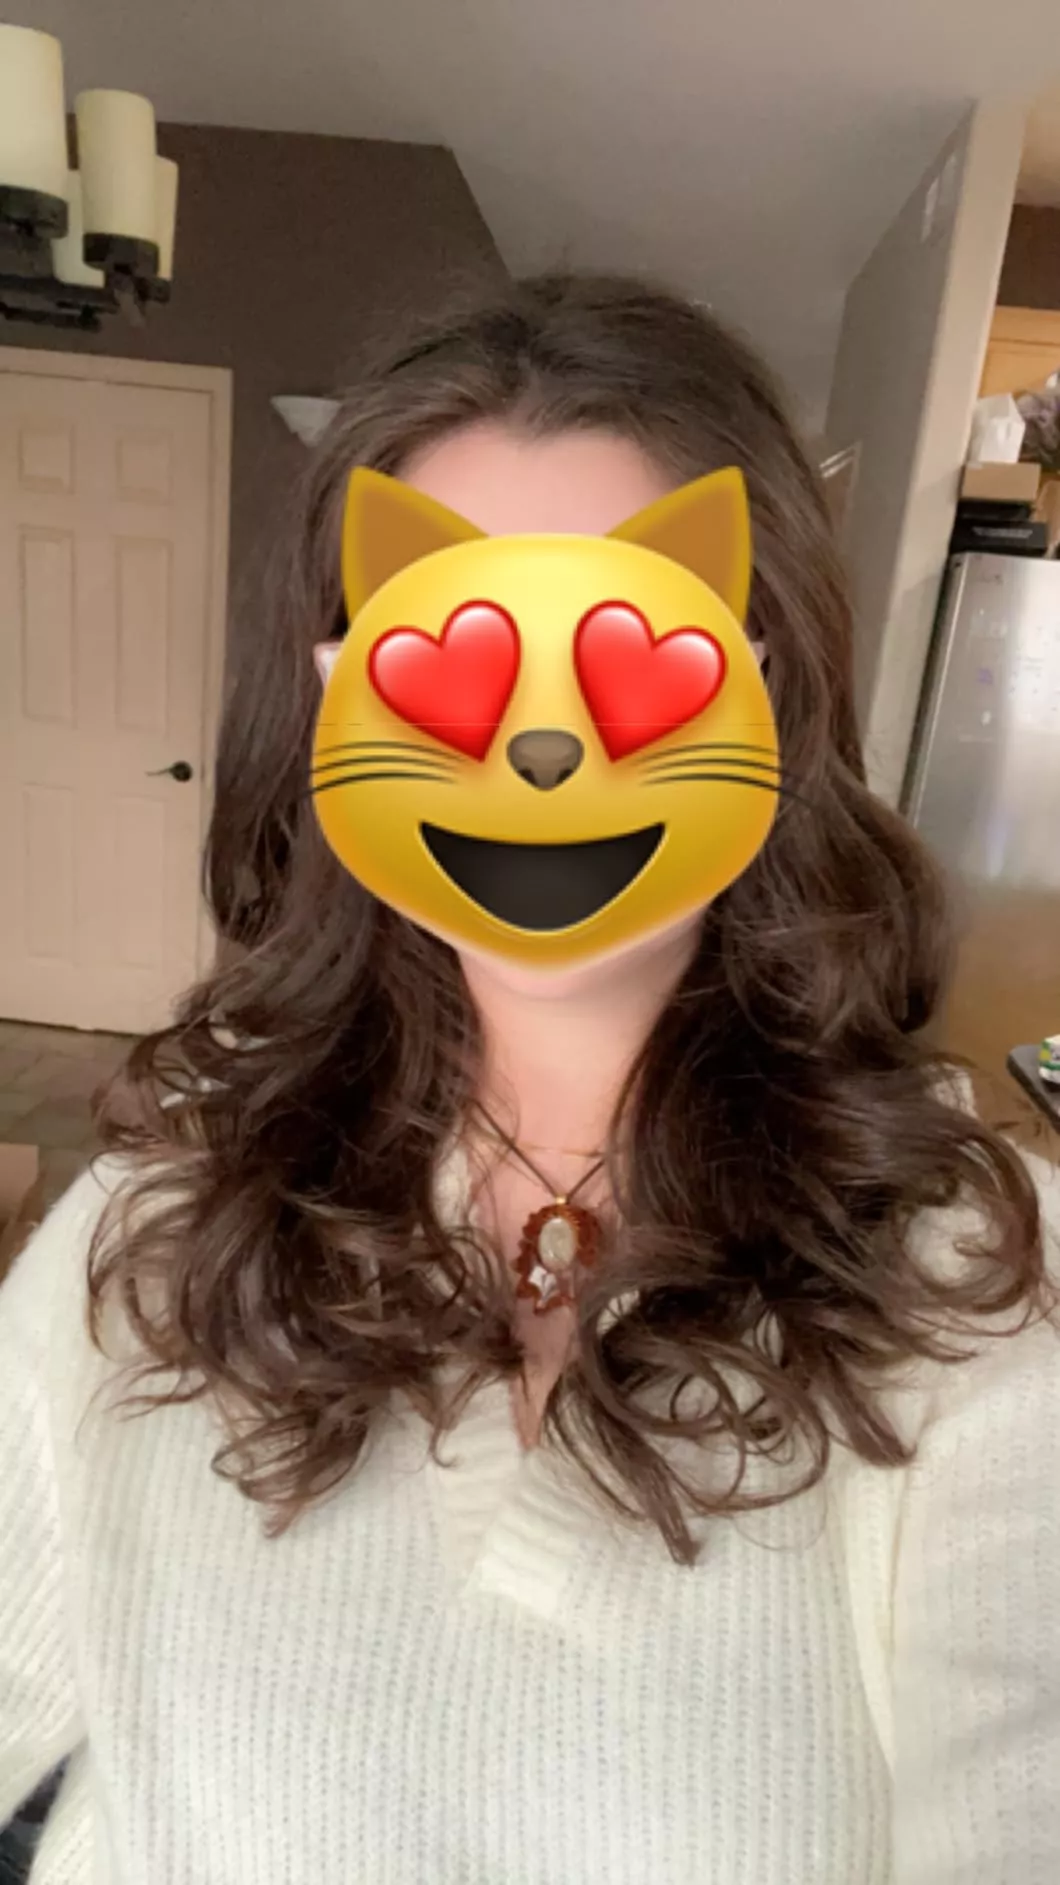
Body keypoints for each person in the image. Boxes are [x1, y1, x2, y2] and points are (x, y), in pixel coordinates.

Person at [1, 272, 1058, 1885]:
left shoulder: (984, 1297)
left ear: (771, 694)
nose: (540, 756)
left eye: (631, 660)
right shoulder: (153, 1226)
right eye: (454, 667)